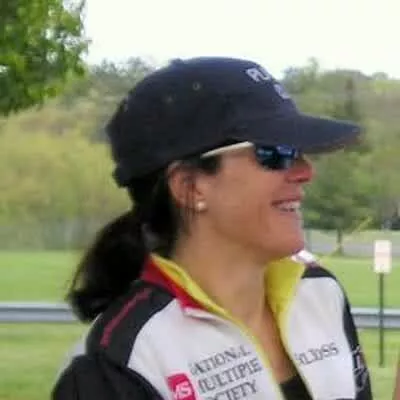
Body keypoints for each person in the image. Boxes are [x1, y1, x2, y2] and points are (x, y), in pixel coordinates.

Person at [52, 57, 372, 399]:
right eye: (275, 153)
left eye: (299, 151)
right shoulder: (117, 363)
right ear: (189, 186)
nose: (305, 171)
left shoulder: (320, 294)